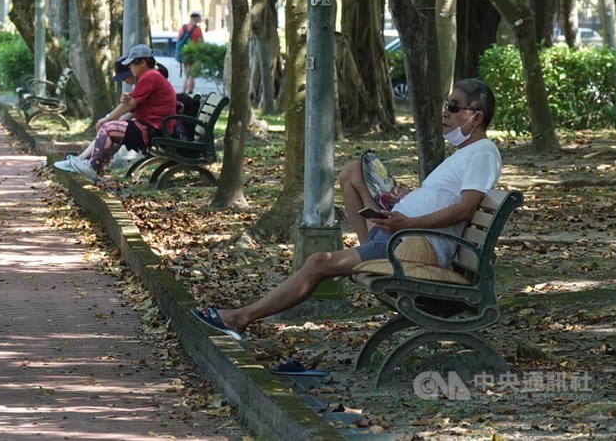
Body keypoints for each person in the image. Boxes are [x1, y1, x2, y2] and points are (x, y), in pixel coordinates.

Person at [192, 78, 502, 341]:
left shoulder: (483, 152)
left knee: (318, 263)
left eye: (454, 107)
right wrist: (404, 198)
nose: (445, 113)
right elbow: (446, 198)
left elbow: (465, 209)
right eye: (447, 105)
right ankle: (368, 247)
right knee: (352, 171)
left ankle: (240, 318)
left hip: (413, 246)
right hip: (400, 234)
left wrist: (410, 220)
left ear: (475, 117)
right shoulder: (464, 153)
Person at [54, 44, 177, 184]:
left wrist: (108, 118)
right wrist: (119, 112)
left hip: (153, 130)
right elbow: (131, 107)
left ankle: (92, 168)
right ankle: (89, 165)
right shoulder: (150, 77)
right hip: (151, 128)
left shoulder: (150, 76)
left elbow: (129, 104)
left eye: (131, 65)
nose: (129, 68)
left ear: (142, 63)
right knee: (111, 128)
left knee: (108, 128)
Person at [177, 11, 203, 94]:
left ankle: (184, 92)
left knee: (187, 76)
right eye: (199, 18)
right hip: (193, 54)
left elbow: (179, 40)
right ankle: (190, 92)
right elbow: (201, 42)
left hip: (184, 54)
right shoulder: (197, 29)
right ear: (196, 18)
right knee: (192, 76)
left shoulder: (183, 28)